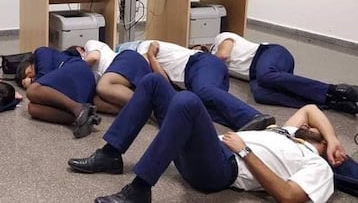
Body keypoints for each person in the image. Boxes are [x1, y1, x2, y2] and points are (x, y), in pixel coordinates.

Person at [67, 73, 349, 203]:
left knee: (188, 101)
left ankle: (140, 190)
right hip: (214, 148)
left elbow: (289, 197)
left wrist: (247, 152)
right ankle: (111, 153)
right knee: (153, 82)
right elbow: (311, 110)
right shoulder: (289, 133)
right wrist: (333, 137)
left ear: (322, 148)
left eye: (319, 133)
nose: (314, 127)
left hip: (223, 170)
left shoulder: (318, 166)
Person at [137, 40, 274, 131]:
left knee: (205, 91)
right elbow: (164, 82)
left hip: (199, 63)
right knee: (199, 109)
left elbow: (160, 80)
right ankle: (251, 127)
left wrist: (150, 56)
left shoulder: (144, 48)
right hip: (196, 76)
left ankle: (253, 116)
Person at [210, 32, 358, 114]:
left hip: (268, 53)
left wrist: (207, 62)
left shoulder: (220, 38)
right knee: (261, 95)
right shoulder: (210, 62)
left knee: (266, 75)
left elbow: (223, 55)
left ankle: (337, 89)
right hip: (256, 75)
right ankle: (331, 102)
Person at [15, 46, 98, 138]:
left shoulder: (41, 52)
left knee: (31, 91)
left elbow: (45, 73)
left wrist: (32, 82)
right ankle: (83, 117)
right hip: (73, 90)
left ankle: (79, 110)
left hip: (78, 71)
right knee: (32, 108)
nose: (30, 77)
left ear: (29, 63)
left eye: (27, 74)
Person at [73, 40, 151, 115]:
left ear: (79, 49)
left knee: (103, 87)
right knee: (95, 101)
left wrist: (72, 68)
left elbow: (94, 57)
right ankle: (133, 110)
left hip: (127, 60)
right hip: (120, 82)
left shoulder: (90, 45)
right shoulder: (89, 73)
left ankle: (149, 104)